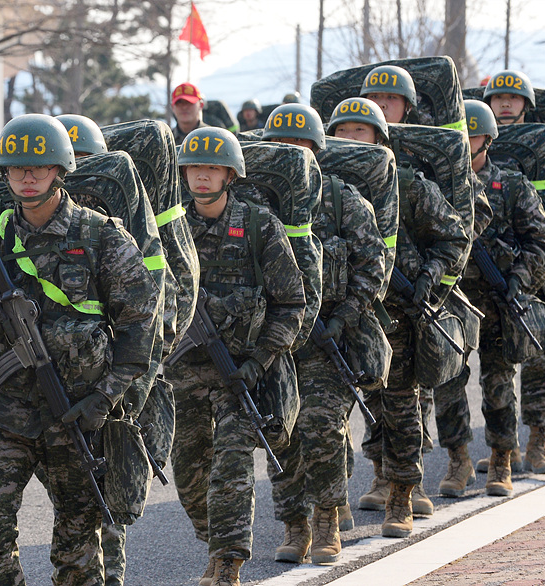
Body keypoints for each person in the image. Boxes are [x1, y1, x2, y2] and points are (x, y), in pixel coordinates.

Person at [0, 113, 160, 585]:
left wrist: (105, 396)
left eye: (38, 167)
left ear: (60, 171)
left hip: (76, 412)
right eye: (16, 169)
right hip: (6, 411)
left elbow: (140, 328)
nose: (27, 177)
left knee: (77, 544)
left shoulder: (101, 236)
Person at [167, 126, 306, 586]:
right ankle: (214, 543)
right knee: (189, 473)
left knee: (232, 464)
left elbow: (291, 302)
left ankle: (228, 563)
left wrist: (261, 360)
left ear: (230, 173)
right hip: (185, 372)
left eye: (212, 167)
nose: (201, 176)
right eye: (194, 168)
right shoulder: (171, 228)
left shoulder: (258, 225)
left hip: (243, 372)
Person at [338, 88, 469, 536]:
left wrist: (431, 277)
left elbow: (454, 238)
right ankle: (341, 496)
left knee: (400, 405)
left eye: (362, 130)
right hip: (343, 315)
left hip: (397, 315)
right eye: (342, 131)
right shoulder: (325, 189)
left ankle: (402, 494)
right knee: (342, 410)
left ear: (381, 138)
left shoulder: (409, 184)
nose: (352, 139)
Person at [264, 102, 386, 563]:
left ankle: (327, 519)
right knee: (280, 432)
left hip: (325, 339)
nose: (291, 153)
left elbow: (371, 268)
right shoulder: (256, 205)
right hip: (275, 341)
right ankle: (295, 525)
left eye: (299, 145)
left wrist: (343, 317)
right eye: (281, 146)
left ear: (317, 150)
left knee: (322, 428)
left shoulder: (341, 200)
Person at [428, 100, 545, 499]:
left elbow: (538, 241)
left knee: (497, 382)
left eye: (472, 134)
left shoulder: (511, 186)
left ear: (487, 139)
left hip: (498, 299)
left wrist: (519, 280)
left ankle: (500, 457)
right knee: (447, 383)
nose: (465, 141)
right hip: (455, 298)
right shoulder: (442, 187)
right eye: (458, 135)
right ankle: (458, 459)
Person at [482, 70, 545, 477]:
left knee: (538, 353)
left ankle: (539, 435)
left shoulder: (542, 141)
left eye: (513, 97)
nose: (506, 103)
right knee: (497, 360)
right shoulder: (474, 141)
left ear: (526, 103)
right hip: (492, 264)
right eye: (498, 97)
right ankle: (503, 446)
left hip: (537, 254)